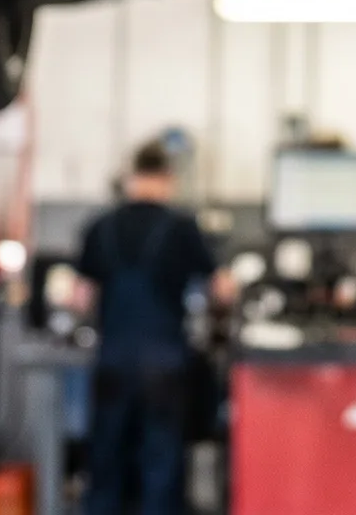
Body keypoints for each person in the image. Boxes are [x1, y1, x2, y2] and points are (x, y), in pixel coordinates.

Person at [73, 142, 228, 515]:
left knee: (105, 465)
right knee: (161, 468)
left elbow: (79, 297)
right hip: (165, 366)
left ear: (131, 178)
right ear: (167, 180)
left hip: (113, 362)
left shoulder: (100, 227)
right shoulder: (182, 228)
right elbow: (221, 289)